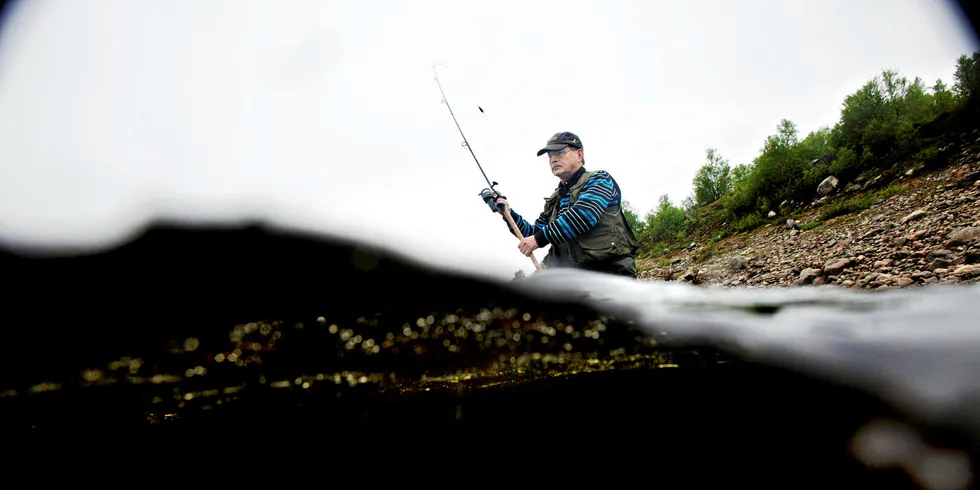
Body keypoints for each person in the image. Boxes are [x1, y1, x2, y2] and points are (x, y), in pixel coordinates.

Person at [494, 131, 641, 278]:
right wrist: (508, 213)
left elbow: (584, 216)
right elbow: (531, 234)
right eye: (550, 156)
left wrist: (538, 240)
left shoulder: (600, 179)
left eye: (559, 152)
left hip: (610, 275)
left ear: (579, 154)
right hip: (576, 281)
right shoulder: (555, 200)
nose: (553, 159)